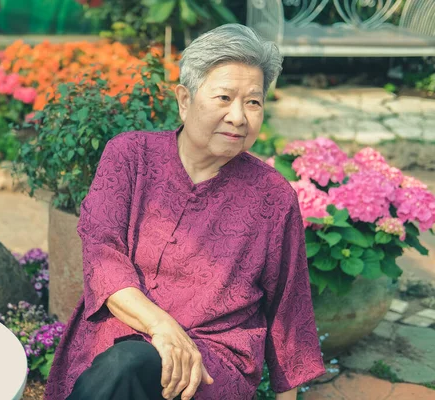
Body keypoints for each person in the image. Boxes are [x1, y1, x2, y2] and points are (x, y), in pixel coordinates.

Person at [44, 23, 326, 400]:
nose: (239, 117)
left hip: (210, 364)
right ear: (184, 99)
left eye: (253, 102)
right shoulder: (130, 157)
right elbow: (102, 258)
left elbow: (288, 307)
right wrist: (162, 327)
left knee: (128, 367)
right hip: (117, 339)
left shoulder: (273, 197)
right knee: (123, 365)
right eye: (224, 98)